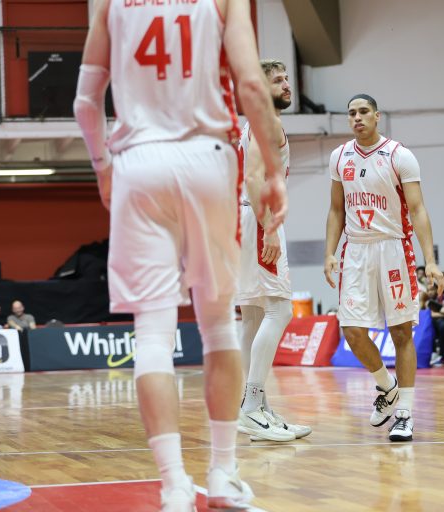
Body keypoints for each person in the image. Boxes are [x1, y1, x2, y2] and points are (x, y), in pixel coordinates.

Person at [74, 0, 287, 510]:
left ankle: (173, 485)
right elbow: (251, 85)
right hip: (206, 159)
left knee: (152, 334)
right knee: (218, 327)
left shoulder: (109, 4)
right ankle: (223, 474)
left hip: (138, 164)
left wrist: (103, 166)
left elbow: (85, 102)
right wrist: (274, 169)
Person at [324, 93, 444, 442]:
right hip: (356, 250)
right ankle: (386, 386)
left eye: (363, 111)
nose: (357, 117)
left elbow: (418, 209)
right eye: (351, 113)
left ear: (377, 116)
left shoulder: (399, 155)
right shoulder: (339, 156)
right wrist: (329, 253)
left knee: (401, 332)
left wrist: (430, 260)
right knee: (352, 331)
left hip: (393, 248)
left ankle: (404, 413)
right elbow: (336, 209)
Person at [234, 59, 310, 443]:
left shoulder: (253, 122)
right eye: (277, 80)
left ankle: (258, 409)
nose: (286, 84)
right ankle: (250, 407)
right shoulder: (266, 121)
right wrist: (269, 228)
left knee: (252, 316)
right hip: (257, 217)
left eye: (286, 78)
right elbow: (253, 177)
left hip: (241, 218)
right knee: (280, 310)